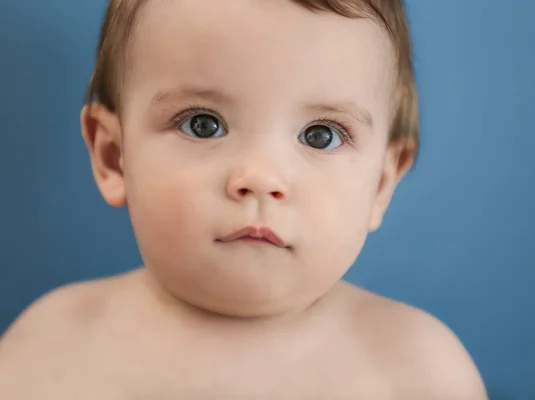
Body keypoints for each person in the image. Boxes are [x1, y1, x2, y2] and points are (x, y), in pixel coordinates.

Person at [0, 0, 487, 398]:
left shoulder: (419, 373)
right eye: (203, 124)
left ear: (381, 183)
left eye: (320, 136)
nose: (260, 177)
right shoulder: (51, 348)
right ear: (114, 156)